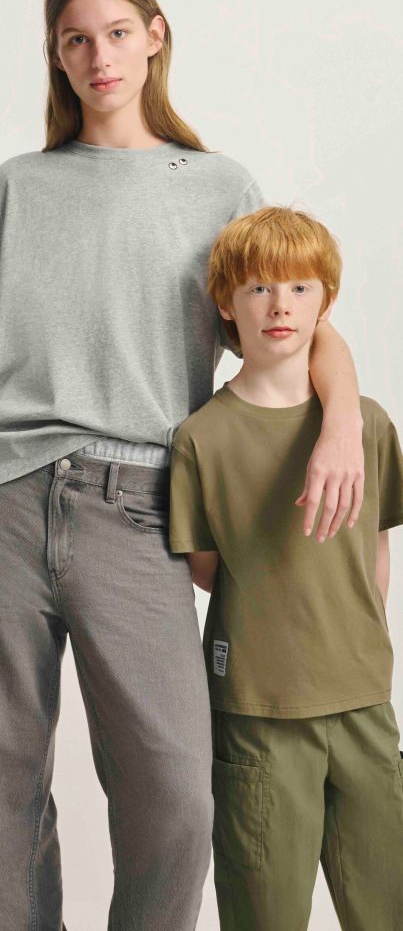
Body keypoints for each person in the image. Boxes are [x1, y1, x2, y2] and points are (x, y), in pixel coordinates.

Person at [0, 0, 365, 931]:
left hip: (145, 499)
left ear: (156, 37)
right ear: (56, 55)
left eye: (118, 33)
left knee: (175, 787)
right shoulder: (20, 184)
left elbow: (304, 323)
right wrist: (17, 369)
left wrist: (341, 425)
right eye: (76, 40)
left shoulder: (216, 185)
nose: (100, 57)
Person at [169, 206, 403, 931]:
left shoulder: (365, 424)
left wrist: (353, 638)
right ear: (225, 302)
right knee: (264, 912)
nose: (280, 306)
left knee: (385, 906)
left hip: (362, 700)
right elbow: (206, 567)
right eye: (259, 288)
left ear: (324, 302)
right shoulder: (200, 438)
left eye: (300, 288)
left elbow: (374, 545)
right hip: (257, 712)